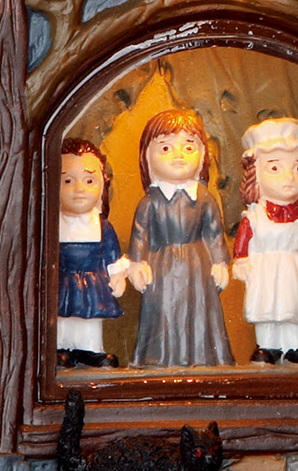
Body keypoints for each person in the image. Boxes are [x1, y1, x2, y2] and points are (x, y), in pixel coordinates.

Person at [126, 109, 233, 368]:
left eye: (188, 147)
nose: (178, 156)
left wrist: (220, 262)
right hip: (161, 266)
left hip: (198, 267)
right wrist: (136, 264)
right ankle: (158, 357)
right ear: (148, 157)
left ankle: (204, 356)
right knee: (163, 310)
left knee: (199, 310)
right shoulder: (150, 202)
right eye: (166, 148)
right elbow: (140, 234)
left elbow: (214, 232)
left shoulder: (204, 199)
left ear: (202, 154)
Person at [231, 117, 298, 366]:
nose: (289, 177)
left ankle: (296, 345)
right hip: (266, 268)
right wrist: (241, 260)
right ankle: (267, 345)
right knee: (267, 307)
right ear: (255, 174)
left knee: (294, 307)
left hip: (293, 267)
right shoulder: (254, 216)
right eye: (275, 168)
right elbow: (243, 241)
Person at [56, 140, 130, 368]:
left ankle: (90, 349)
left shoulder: (102, 226)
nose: (79, 189)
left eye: (89, 181)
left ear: (102, 184)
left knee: (90, 319)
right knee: (63, 316)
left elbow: (112, 255)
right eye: (68, 181)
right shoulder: (53, 225)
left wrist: (117, 276)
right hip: (63, 280)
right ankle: (61, 347)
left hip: (93, 281)